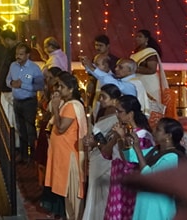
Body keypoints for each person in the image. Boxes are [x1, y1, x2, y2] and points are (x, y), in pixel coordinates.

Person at [114, 117, 185, 220]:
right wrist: (122, 138)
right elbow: (129, 157)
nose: (154, 131)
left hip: (157, 206)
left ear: (168, 136)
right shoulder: (156, 151)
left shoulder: (172, 157)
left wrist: (138, 148)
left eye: (158, 129)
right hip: (146, 202)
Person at [41, 72, 87, 220]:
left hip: (70, 158)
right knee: (67, 199)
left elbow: (61, 128)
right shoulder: (66, 105)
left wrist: (55, 107)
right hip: (63, 155)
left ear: (71, 89)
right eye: (57, 85)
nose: (58, 89)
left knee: (74, 199)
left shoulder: (72, 106)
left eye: (61, 86)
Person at [104, 96, 153, 220]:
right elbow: (106, 154)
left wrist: (121, 138)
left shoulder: (142, 136)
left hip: (129, 182)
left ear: (130, 114)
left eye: (119, 111)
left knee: (125, 213)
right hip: (117, 178)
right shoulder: (122, 130)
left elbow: (130, 163)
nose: (116, 114)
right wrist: (116, 137)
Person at [81, 84, 123, 220]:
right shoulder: (104, 112)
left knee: (103, 193)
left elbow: (107, 143)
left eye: (104, 97)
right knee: (95, 192)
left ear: (115, 99)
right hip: (98, 157)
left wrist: (94, 142)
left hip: (105, 159)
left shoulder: (117, 116)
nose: (100, 100)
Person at [7, 42, 44, 163]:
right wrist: (12, 84)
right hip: (17, 101)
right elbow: (8, 80)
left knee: (30, 130)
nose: (18, 56)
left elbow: (39, 85)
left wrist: (23, 85)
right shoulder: (13, 66)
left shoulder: (34, 68)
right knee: (20, 129)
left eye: (21, 54)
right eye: (17, 54)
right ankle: (23, 155)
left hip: (29, 102)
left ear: (27, 55)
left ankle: (33, 156)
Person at [81, 57, 150, 115]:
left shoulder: (133, 84)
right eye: (116, 66)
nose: (116, 69)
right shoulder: (123, 80)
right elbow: (105, 77)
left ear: (130, 71)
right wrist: (88, 66)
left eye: (120, 67)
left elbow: (110, 81)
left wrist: (92, 68)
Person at [130, 30, 167, 113]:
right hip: (138, 82)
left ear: (146, 39)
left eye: (140, 36)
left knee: (150, 108)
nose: (137, 38)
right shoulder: (135, 53)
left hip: (149, 83)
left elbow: (152, 70)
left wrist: (134, 69)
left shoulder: (150, 52)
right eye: (136, 37)